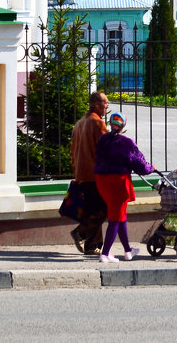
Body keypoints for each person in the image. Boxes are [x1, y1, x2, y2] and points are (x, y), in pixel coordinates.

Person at [94, 111, 155, 263]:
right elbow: (140, 164)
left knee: (120, 215)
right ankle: (105, 253)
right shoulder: (126, 143)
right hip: (118, 182)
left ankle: (128, 250)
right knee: (115, 218)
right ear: (123, 126)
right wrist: (151, 168)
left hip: (102, 181)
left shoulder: (103, 140)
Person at [68, 91, 109, 255]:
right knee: (104, 209)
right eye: (106, 103)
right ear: (97, 105)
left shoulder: (80, 123)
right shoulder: (97, 123)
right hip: (95, 174)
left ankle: (93, 246)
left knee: (93, 209)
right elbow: (107, 148)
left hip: (82, 173)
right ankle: (81, 232)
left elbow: (72, 151)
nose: (107, 106)